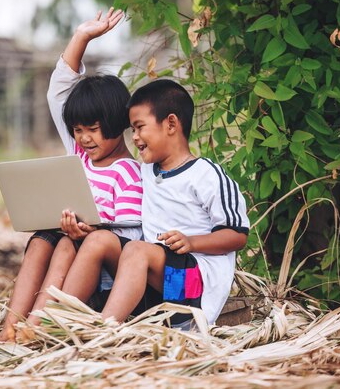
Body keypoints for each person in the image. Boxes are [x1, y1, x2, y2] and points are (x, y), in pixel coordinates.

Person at [0, 8, 143, 359]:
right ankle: (9, 331)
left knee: (65, 245)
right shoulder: (81, 155)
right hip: (72, 247)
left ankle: (37, 329)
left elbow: (130, 240)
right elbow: (59, 95)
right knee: (43, 240)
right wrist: (81, 38)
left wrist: (86, 233)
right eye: (77, 130)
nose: (84, 138)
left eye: (93, 129)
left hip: (102, 273)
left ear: (117, 123)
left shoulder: (129, 172)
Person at [62, 79, 249, 328]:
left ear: (171, 123)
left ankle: (105, 329)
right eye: (133, 129)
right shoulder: (147, 171)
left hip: (193, 287)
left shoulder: (207, 175)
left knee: (137, 250)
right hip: (154, 279)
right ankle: (58, 321)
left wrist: (192, 241)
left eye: (140, 127)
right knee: (99, 240)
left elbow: (237, 236)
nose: (135, 137)